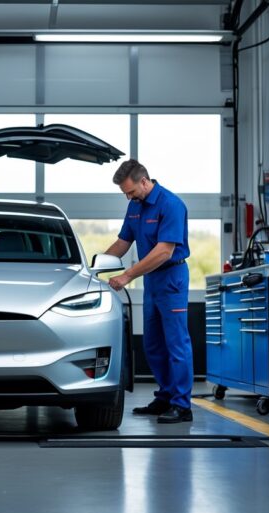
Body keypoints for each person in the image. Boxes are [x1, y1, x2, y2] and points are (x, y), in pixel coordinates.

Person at [104, 159, 194, 423]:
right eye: (125, 193)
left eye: (131, 191)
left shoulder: (171, 204)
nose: (128, 197)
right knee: (153, 343)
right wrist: (95, 266)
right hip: (151, 281)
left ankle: (182, 405)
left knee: (176, 343)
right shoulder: (135, 206)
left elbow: (164, 251)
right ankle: (165, 397)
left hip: (172, 277)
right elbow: (123, 242)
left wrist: (127, 275)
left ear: (144, 181)